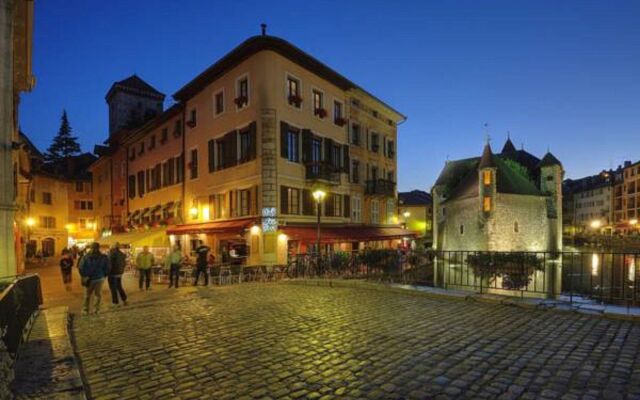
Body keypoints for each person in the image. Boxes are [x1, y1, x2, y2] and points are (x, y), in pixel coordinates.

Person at [78, 242, 110, 315]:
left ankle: (85, 310)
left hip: (89, 279)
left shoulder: (86, 257)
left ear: (91, 248)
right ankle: (96, 309)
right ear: (98, 248)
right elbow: (108, 267)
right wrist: (104, 275)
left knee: (87, 295)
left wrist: (84, 276)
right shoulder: (103, 257)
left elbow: (81, 268)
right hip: (100, 278)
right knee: (97, 294)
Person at [108, 242, 128, 307]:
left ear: (113, 246)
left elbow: (109, 264)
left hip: (113, 273)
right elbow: (124, 263)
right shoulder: (122, 254)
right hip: (119, 273)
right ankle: (124, 299)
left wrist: (107, 272)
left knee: (113, 288)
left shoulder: (112, 253)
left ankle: (115, 302)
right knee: (119, 286)